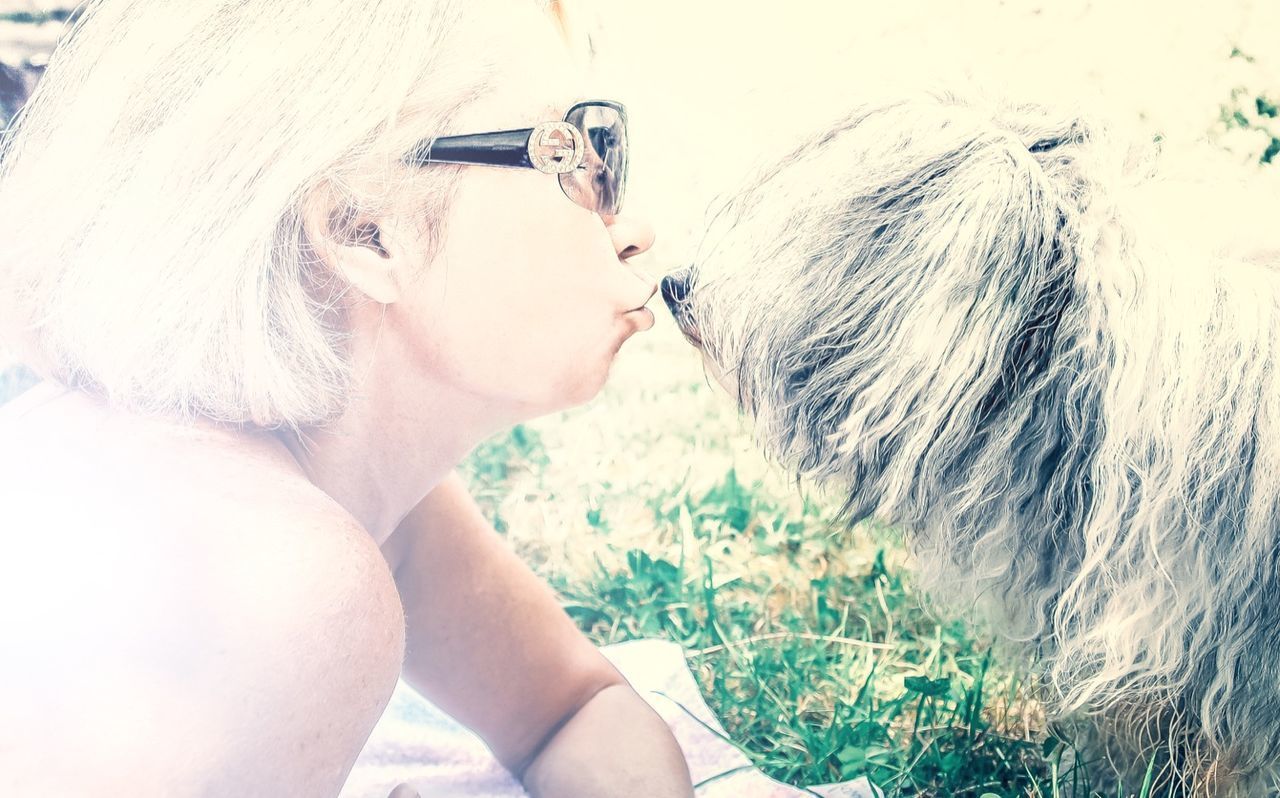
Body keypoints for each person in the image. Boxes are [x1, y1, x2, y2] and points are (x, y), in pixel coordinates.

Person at [0, 0, 693, 795]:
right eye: (570, 152)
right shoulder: (283, 581)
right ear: (366, 232)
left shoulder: (360, 503)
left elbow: (573, 708)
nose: (630, 222)